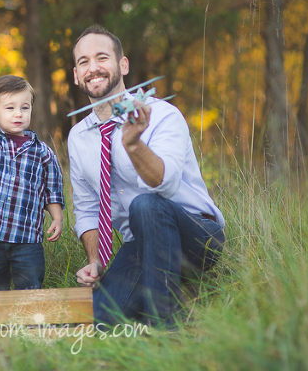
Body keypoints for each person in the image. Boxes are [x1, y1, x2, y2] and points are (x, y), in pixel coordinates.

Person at [68, 24, 225, 329]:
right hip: (140, 246)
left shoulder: (162, 115)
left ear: (122, 65)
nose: (93, 68)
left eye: (102, 58)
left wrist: (133, 144)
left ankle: (166, 327)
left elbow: (162, 184)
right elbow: (87, 209)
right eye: (83, 62)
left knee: (145, 205)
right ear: (76, 75)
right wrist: (96, 260)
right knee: (99, 322)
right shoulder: (77, 137)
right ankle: (157, 305)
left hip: (197, 238)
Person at [0, 62, 65, 291]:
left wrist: (57, 218)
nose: (18, 114)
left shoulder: (43, 152)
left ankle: (30, 325)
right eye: (10, 108)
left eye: (24, 108)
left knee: (30, 286)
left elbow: (52, 189)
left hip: (27, 237)